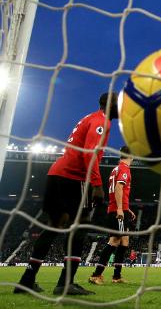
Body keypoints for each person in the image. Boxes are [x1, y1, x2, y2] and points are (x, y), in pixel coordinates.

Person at [14, 92, 118, 295]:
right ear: (108, 104)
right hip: (74, 177)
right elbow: (89, 153)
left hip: (57, 173)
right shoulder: (101, 121)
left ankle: (26, 280)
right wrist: (96, 184)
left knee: (54, 225)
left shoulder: (90, 117)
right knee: (80, 223)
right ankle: (66, 284)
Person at [88, 146, 135, 285]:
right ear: (130, 155)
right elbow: (119, 187)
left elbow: (118, 190)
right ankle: (96, 275)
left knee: (124, 241)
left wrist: (126, 208)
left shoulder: (115, 169)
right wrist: (120, 209)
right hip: (117, 210)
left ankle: (116, 276)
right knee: (114, 241)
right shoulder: (124, 169)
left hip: (120, 208)